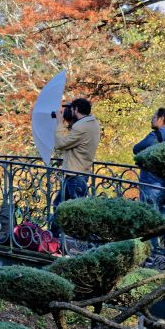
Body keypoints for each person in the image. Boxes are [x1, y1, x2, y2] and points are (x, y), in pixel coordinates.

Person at [134, 107, 165, 262]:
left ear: (161, 119)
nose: (152, 119)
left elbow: (136, 148)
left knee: (149, 219)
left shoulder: (155, 136)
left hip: (151, 184)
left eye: (154, 117)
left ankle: (150, 255)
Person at [51, 97, 101, 234]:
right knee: (59, 206)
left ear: (76, 110)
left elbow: (60, 144)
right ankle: (53, 238)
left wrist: (60, 123)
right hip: (79, 173)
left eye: (71, 109)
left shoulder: (81, 127)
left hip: (75, 175)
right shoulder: (92, 123)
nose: (68, 111)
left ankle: (89, 241)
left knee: (78, 213)